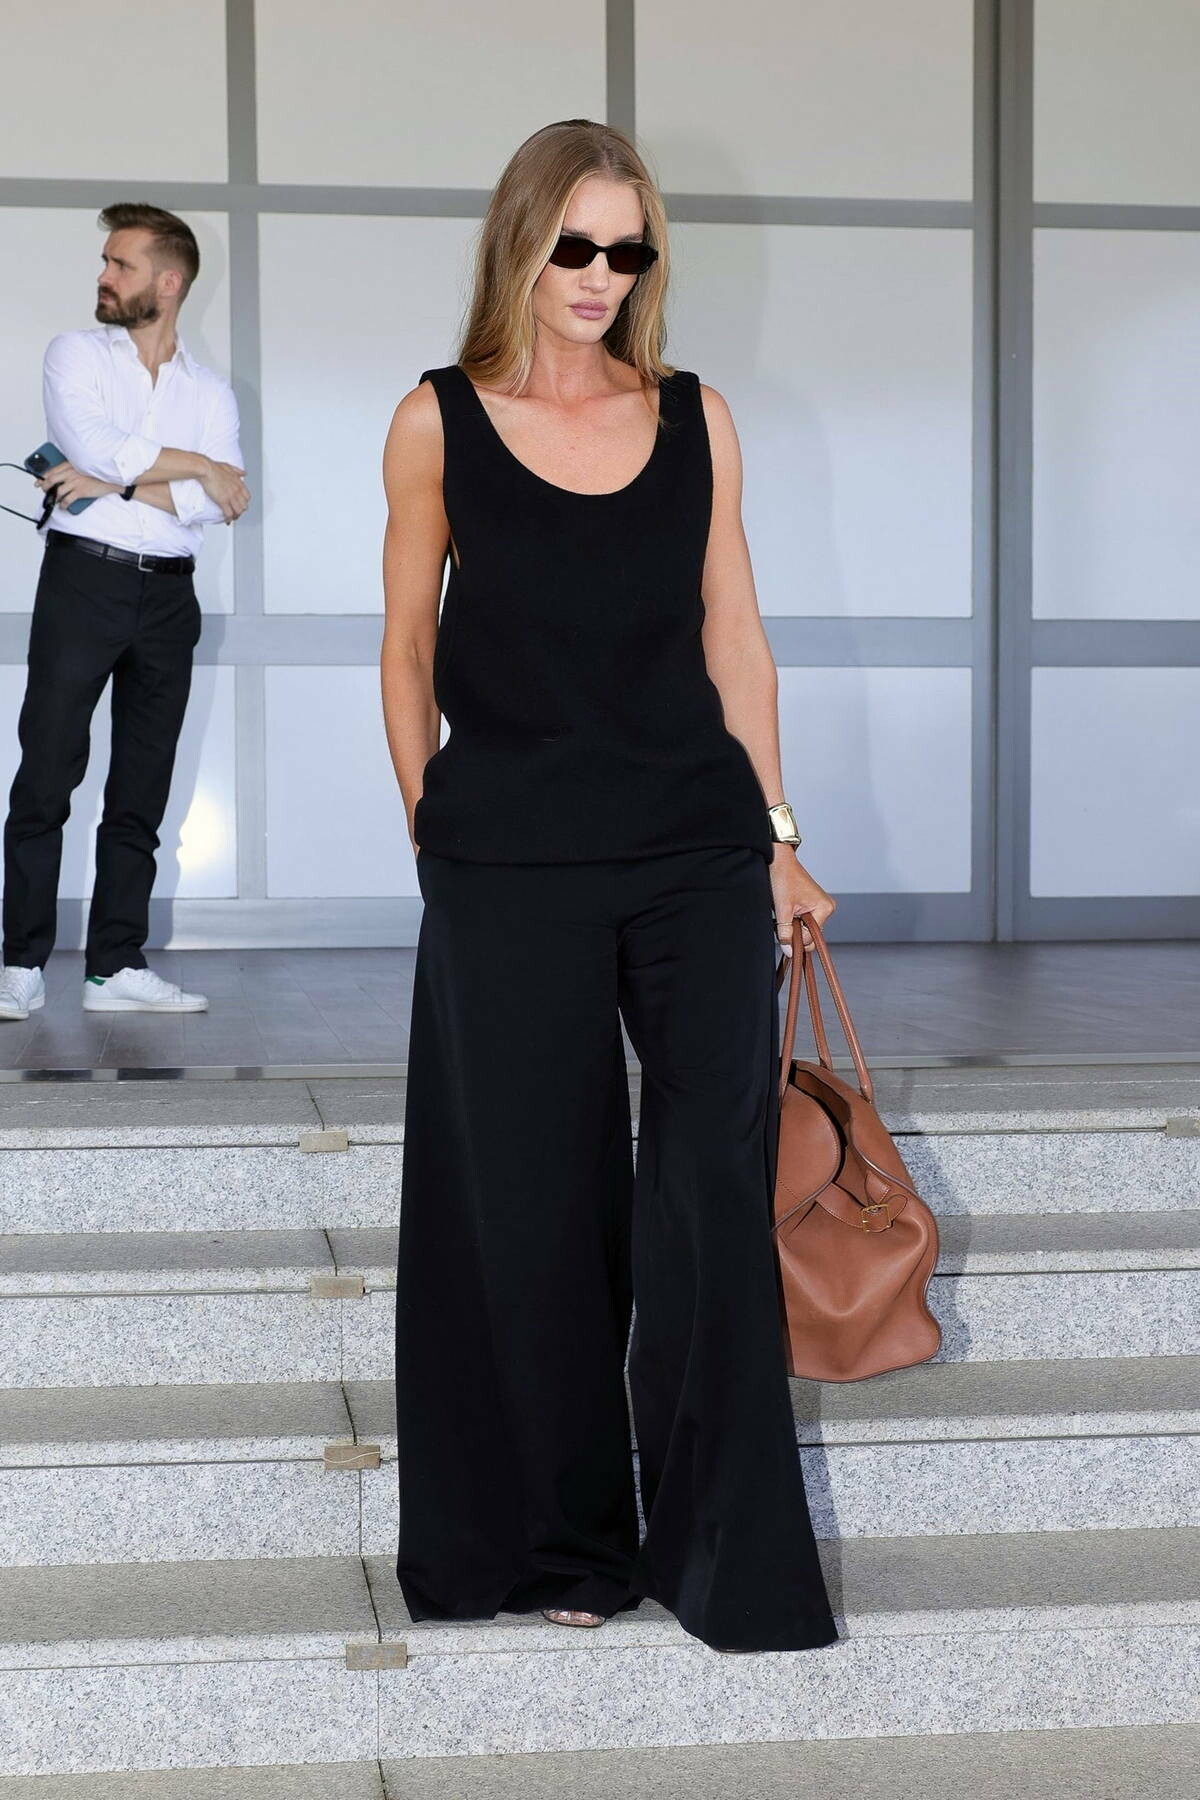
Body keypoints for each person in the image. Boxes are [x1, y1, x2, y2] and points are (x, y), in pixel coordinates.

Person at [381, 120, 840, 1655]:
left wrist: (778, 837)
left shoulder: (697, 417)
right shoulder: (439, 421)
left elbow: (735, 635)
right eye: (573, 245)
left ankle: (725, 1558)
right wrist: (432, 831)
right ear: (521, 242)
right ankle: (561, 1542)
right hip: (509, 859)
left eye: (627, 249)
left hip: (694, 848)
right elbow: (404, 646)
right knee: (534, 1195)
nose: (599, 275)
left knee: (710, 1182)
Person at [0, 203, 249, 1023]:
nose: (103, 277)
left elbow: (223, 504)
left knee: (142, 789)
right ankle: (20, 965)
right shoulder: (75, 354)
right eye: (106, 262)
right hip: (84, 583)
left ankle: (114, 966)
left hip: (170, 597)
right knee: (46, 777)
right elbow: (97, 445)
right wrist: (197, 466)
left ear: (168, 283)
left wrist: (118, 483)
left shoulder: (211, 391)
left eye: (121, 264)